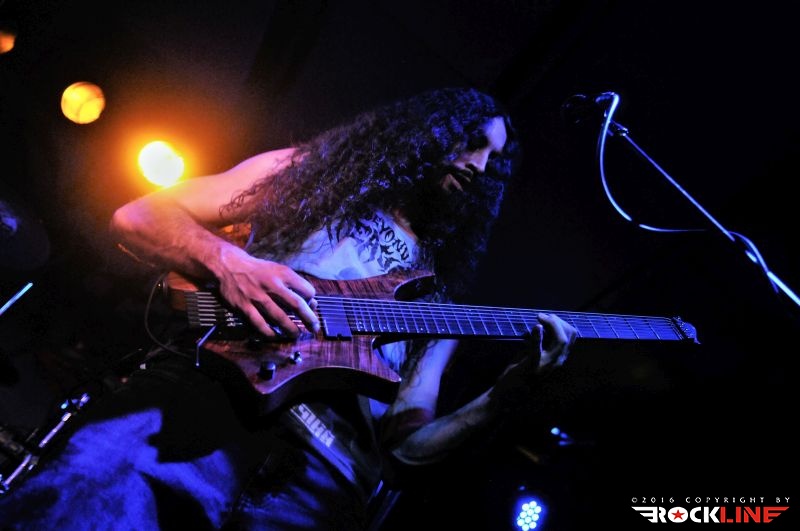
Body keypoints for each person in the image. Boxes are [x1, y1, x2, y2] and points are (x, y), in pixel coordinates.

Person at [0, 87, 576, 530]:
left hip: (320, 488)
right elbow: (139, 217)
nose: (478, 165)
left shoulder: (440, 303)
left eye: (493, 160)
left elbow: (403, 453)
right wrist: (229, 262)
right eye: (472, 141)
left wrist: (502, 397)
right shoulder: (314, 176)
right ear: (430, 130)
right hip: (203, 409)